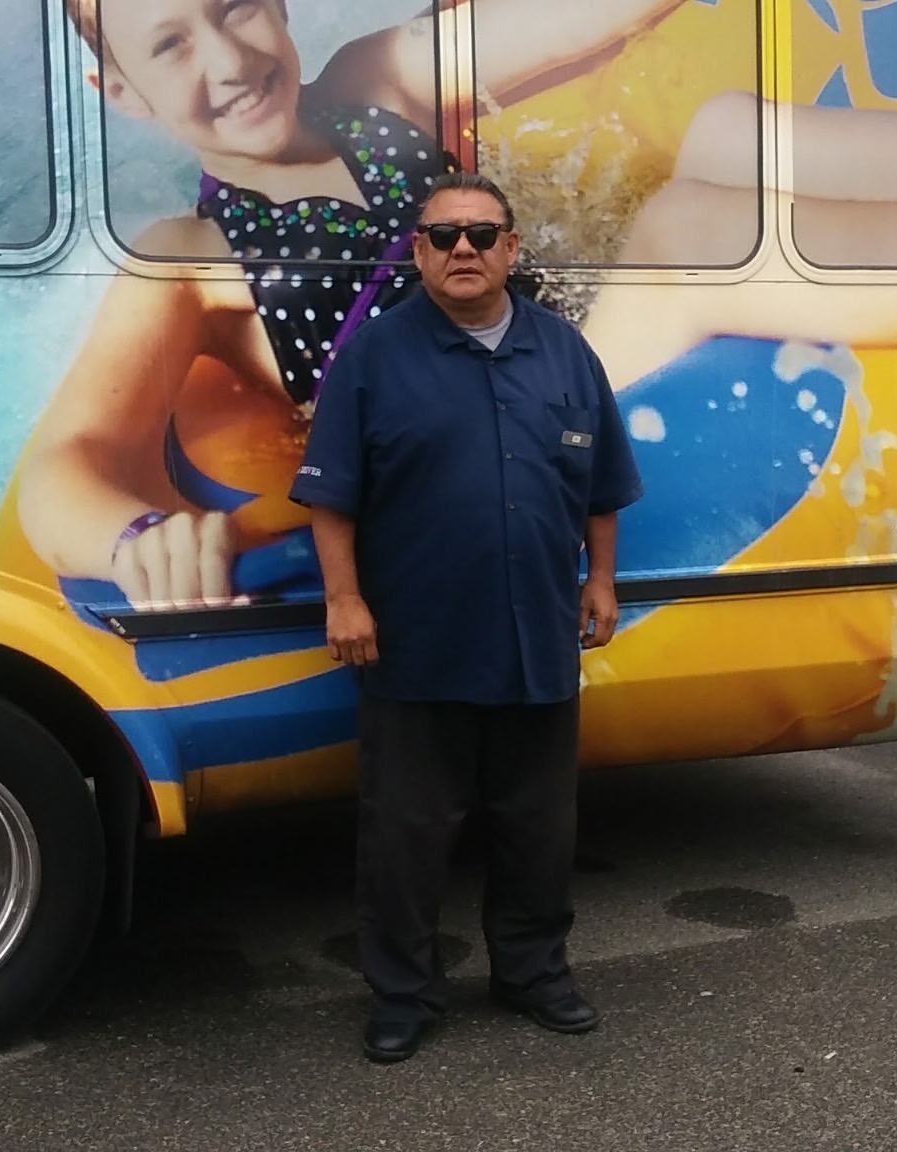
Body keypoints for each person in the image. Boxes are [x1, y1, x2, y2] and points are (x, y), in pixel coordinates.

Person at [12, 0, 897, 614]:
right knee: (688, 235)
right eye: (170, 42)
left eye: (235, 7)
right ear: (119, 90)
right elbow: (64, 464)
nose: (226, 56)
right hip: (479, 428)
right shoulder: (188, 254)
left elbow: (578, 18)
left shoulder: (369, 79)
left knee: (725, 128)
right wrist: (135, 540)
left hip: (561, 337)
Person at [287, 171, 642, 1063]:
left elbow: (600, 486)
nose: (463, 250)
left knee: (538, 828)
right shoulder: (373, 357)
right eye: (443, 236)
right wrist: (344, 598)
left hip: (538, 639)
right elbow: (331, 498)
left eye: (482, 234)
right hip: (417, 643)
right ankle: (403, 995)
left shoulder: (565, 353)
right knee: (406, 836)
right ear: (418, 252)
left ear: (511, 249)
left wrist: (601, 581)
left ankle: (533, 974)